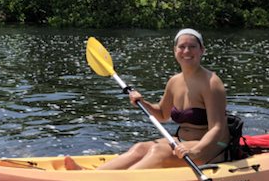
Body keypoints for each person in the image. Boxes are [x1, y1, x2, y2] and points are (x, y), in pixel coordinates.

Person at [66, 28, 229, 170]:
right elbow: (162, 115)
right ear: (175, 50)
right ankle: (93, 175)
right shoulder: (174, 81)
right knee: (140, 148)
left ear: (202, 50)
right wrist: (142, 102)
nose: (186, 51)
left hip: (211, 147)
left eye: (192, 46)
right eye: (182, 46)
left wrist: (197, 151)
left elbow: (217, 128)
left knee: (157, 151)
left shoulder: (211, 83)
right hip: (184, 141)